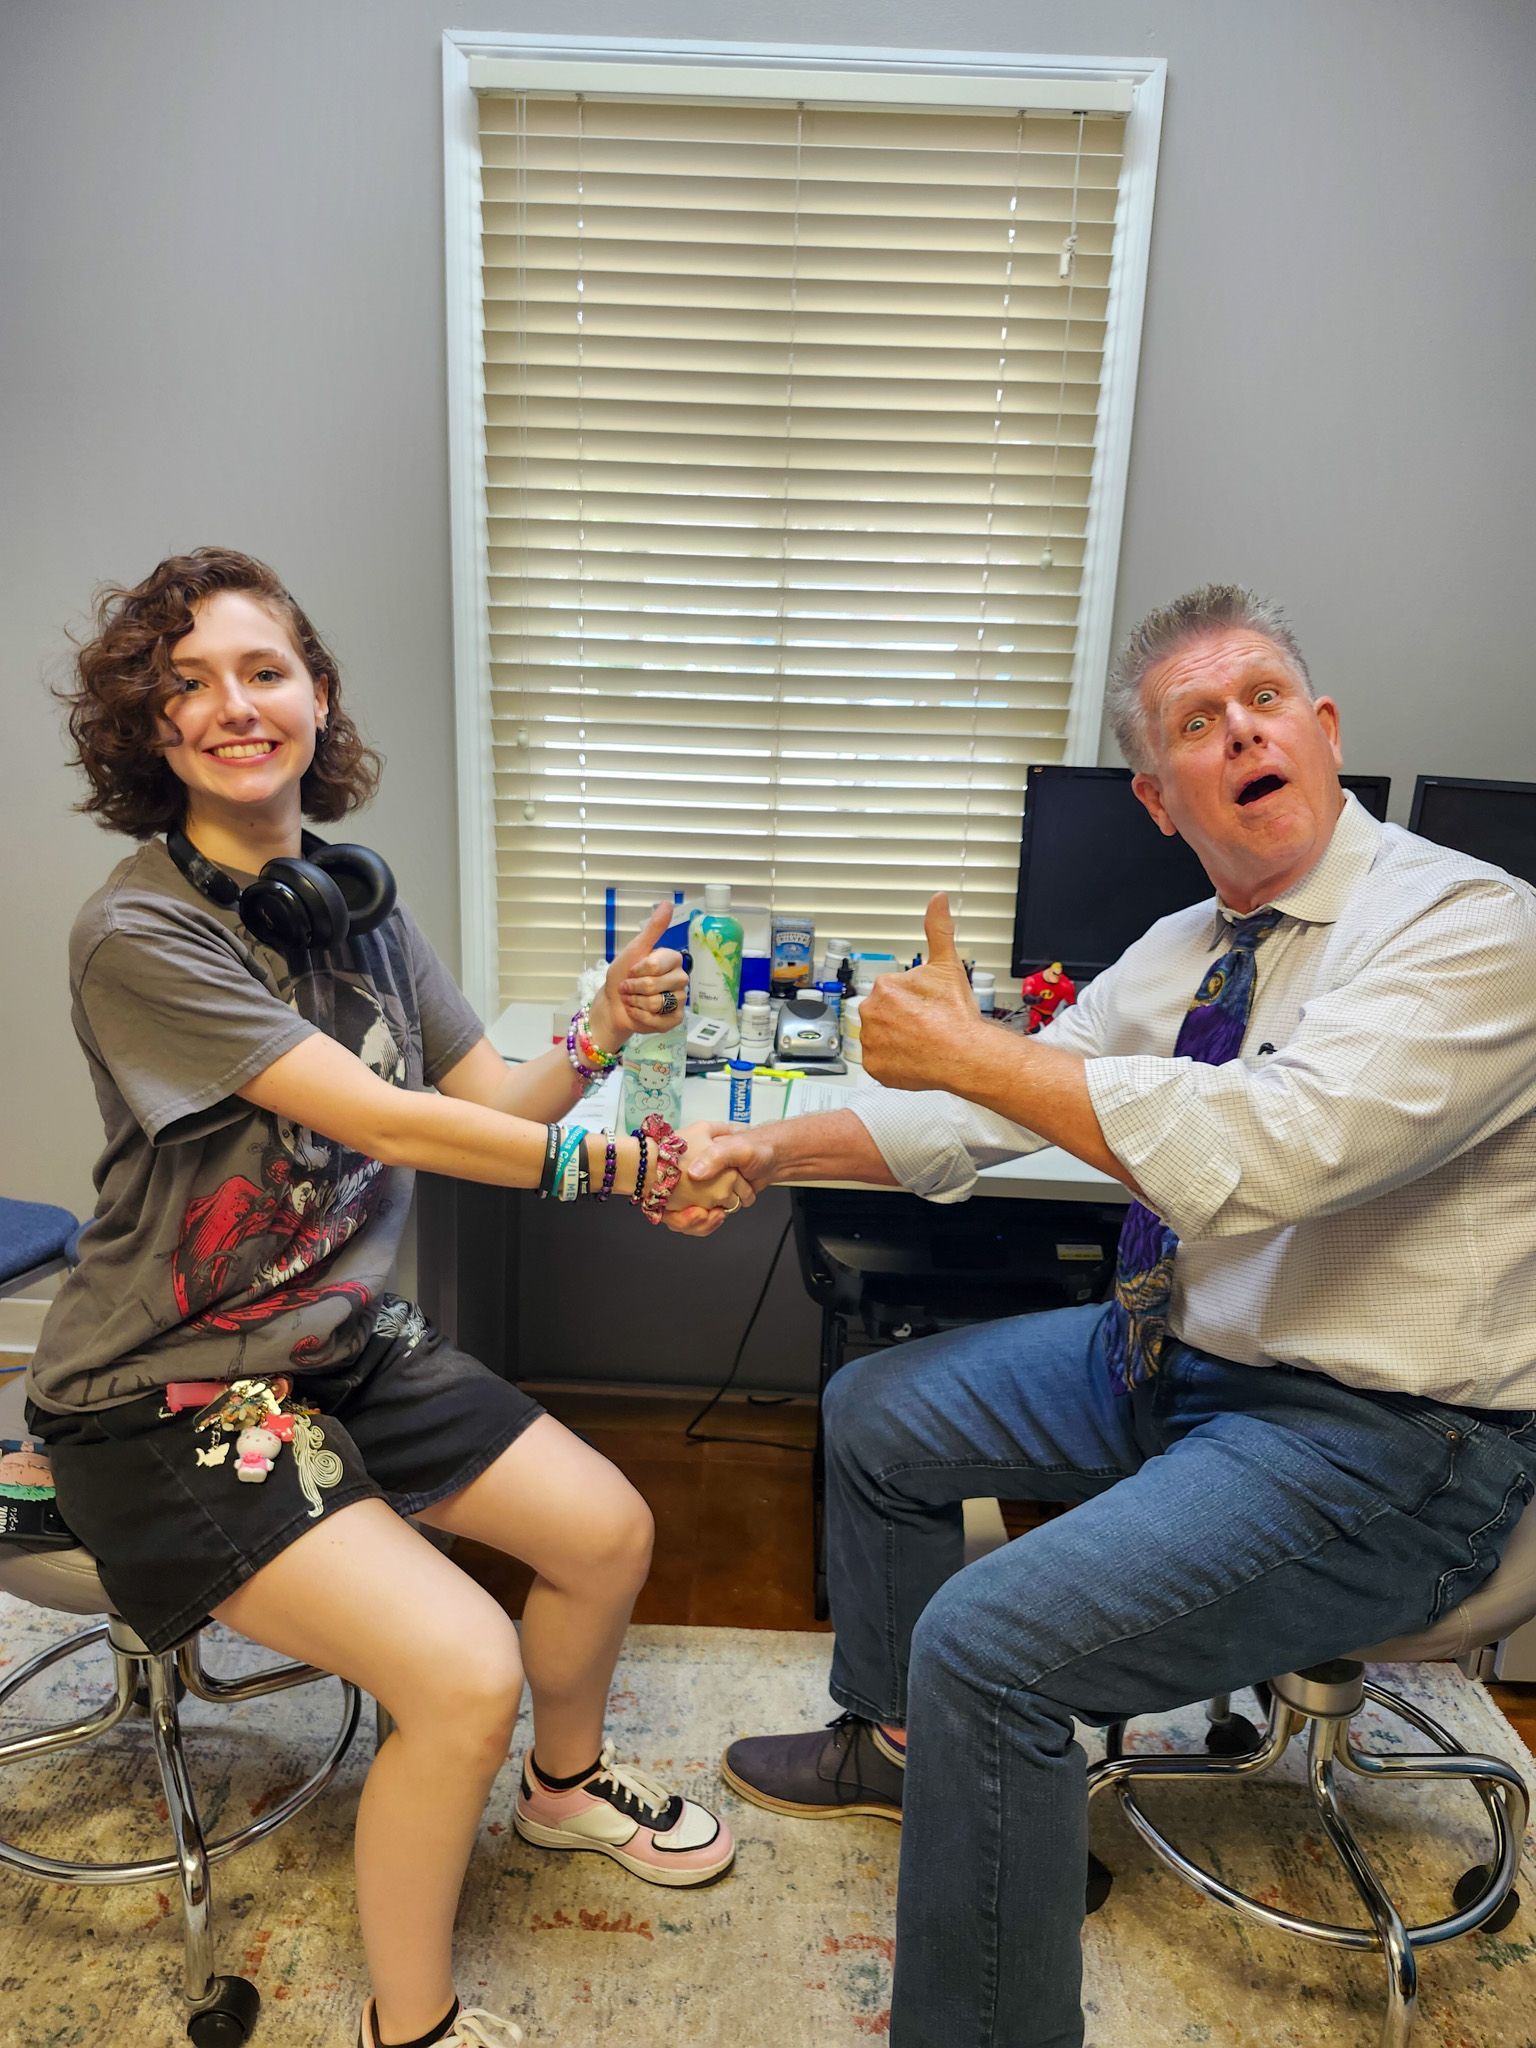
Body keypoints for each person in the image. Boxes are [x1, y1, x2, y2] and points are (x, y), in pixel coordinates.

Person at [681, 585, 1536, 2048]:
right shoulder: (1189, 943)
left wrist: (977, 1054)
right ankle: (901, 1753)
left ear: (1324, 730)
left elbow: (1273, 1153)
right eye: (1198, 723)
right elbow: (985, 1118)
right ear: (1157, 795)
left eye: (1264, 700)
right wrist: (767, 1148)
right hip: (1182, 1362)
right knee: (875, 1410)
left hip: (1387, 1442)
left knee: (990, 1643)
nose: (1243, 732)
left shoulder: (1471, 925)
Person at [25, 547, 753, 2048]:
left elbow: (494, 1102)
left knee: (607, 1530)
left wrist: (600, 1029)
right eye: (187, 685)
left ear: (316, 696)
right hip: (164, 1387)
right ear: (150, 729)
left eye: (264, 669)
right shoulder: (139, 934)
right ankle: (407, 2026)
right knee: (463, 1671)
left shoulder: (356, 906)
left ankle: (563, 1792)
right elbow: (390, 1122)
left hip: (334, 1341)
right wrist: (624, 1167)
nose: (235, 705)